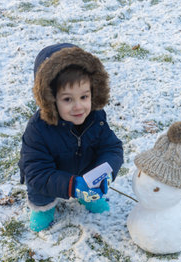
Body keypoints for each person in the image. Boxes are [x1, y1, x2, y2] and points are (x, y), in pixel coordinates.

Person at [18, 43, 124, 232]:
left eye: (84, 97)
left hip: (84, 173)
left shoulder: (96, 118)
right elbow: (37, 173)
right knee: (40, 194)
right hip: (48, 180)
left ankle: (89, 195)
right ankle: (43, 208)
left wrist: (105, 172)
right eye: (68, 99)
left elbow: (111, 148)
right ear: (50, 99)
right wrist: (72, 185)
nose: (78, 107)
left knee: (92, 176)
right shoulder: (38, 130)